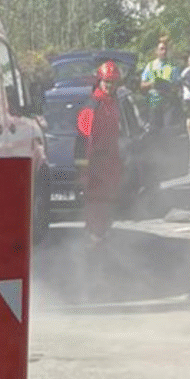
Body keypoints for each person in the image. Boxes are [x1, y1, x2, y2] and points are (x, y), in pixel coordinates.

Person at [76, 60, 125, 249]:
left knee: (107, 202)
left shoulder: (113, 103)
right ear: (99, 81)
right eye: (107, 82)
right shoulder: (93, 105)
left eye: (113, 83)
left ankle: (101, 236)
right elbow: (83, 140)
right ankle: (93, 240)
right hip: (95, 163)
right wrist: (84, 169)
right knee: (95, 203)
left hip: (110, 162)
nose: (110, 86)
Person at [140, 36, 179, 133]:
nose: (164, 51)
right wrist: (153, 84)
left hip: (168, 104)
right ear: (156, 51)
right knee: (154, 131)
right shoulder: (150, 66)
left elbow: (177, 86)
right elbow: (142, 85)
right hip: (153, 103)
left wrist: (168, 87)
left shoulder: (173, 66)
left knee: (168, 131)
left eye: (165, 49)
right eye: (161, 49)